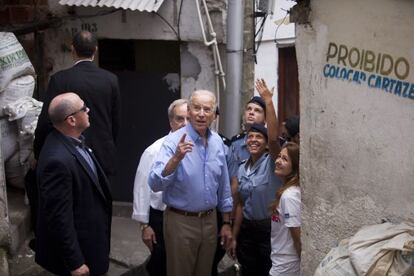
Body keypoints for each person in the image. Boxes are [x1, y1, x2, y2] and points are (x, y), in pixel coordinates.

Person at [149, 90, 233, 276]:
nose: (201, 114)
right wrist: (176, 158)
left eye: (207, 109)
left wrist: (226, 222)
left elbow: (224, 185)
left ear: (214, 114)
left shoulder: (217, 142)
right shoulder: (173, 142)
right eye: (196, 108)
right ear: (188, 111)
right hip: (181, 221)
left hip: (210, 221)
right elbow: (154, 183)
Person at [35, 93, 112, 276]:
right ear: (71, 120)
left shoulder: (72, 140)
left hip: (93, 242)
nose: (88, 110)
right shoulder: (57, 161)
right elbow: (59, 218)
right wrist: (75, 262)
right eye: (84, 108)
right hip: (81, 254)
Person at [34, 30, 121, 179]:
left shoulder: (60, 79)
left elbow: (46, 121)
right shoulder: (111, 80)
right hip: (102, 154)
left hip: (68, 155)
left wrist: (38, 152)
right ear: (95, 50)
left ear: (72, 49)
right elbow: (115, 121)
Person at [228, 79, 282, 276]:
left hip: (269, 232)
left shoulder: (272, 162)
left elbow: (275, 138)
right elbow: (241, 205)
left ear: (266, 144)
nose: (253, 140)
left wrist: (268, 101)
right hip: (247, 232)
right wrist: (234, 236)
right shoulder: (243, 168)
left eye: (259, 137)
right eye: (250, 137)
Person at [132, 99, 188, 276]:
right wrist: (144, 226)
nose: (184, 123)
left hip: (188, 219)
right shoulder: (155, 150)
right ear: (171, 121)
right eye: (180, 119)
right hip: (160, 218)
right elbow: (141, 188)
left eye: (188, 118)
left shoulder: (200, 147)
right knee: (161, 264)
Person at [270, 142, 301, 276]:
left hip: (287, 266)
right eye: (278, 156)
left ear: (294, 166)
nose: (278, 161)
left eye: (285, 159)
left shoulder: (289, 196)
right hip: (280, 262)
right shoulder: (287, 192)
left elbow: (296, 234)